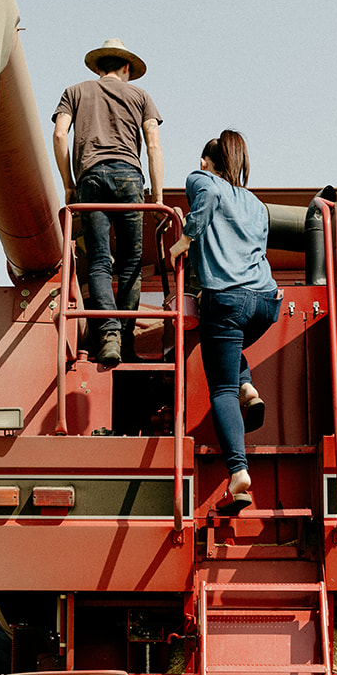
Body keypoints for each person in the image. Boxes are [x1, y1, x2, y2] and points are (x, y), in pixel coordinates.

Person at [170, 129, 280, 512]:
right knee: (228, 351)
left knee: (220, 388)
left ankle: (238, 474)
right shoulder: (256, 205)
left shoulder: (202, 180)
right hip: (266, 301)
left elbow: (209, 196)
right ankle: (248, 386)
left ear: (206, 161)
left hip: (228, 298)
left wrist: (185, 238)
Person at [53, 38, 164, 367]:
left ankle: (109, 335)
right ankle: (125, 340)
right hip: (129, 177)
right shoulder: (141, 96)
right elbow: (154, 144)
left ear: (98, 67)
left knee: (101, 261)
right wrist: (156, 196)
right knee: (131, 264)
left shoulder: (75, 91)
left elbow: (60, 135)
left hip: (90, 178)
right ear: (127, 67)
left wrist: (69, 185)